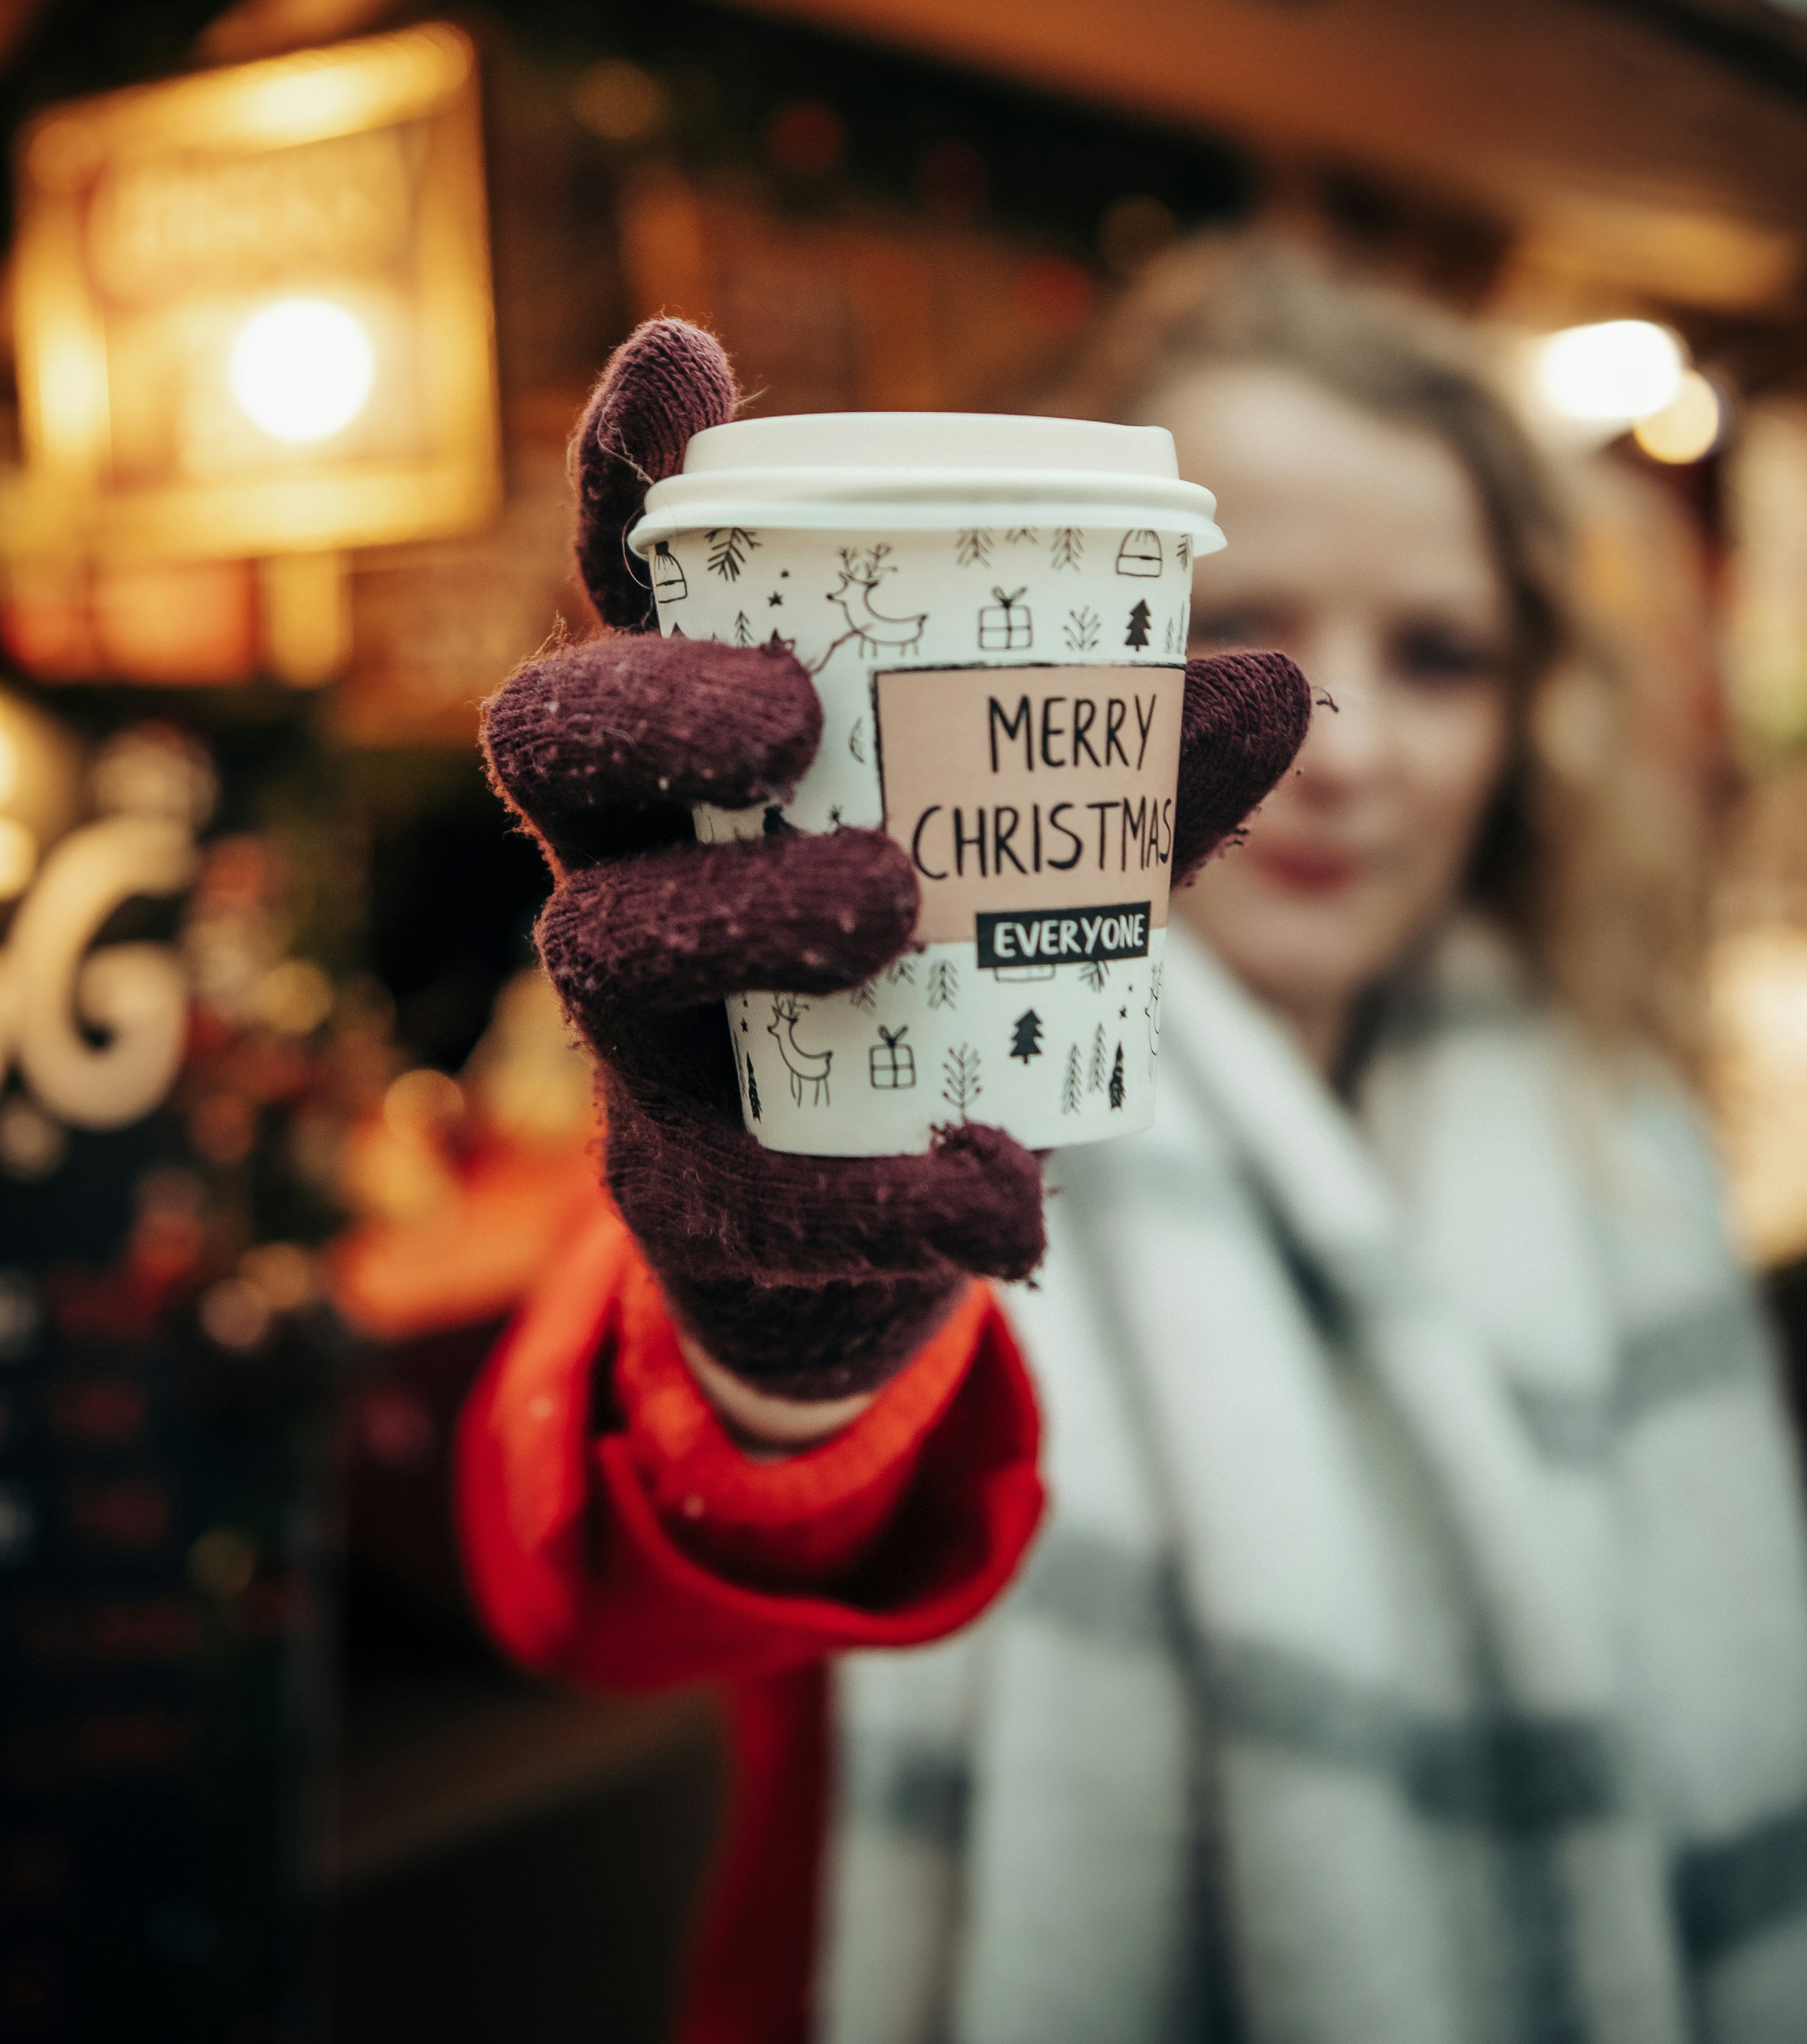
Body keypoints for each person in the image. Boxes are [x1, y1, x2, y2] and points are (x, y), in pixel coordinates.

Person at [461, 247, 1807, 2044]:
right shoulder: (837, 1073)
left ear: (1523, 711)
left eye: (1439, 653)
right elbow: (583, 1596)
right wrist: (781, 1352)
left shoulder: (1616, 1124)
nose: (1342, 742)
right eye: (1237, 624)